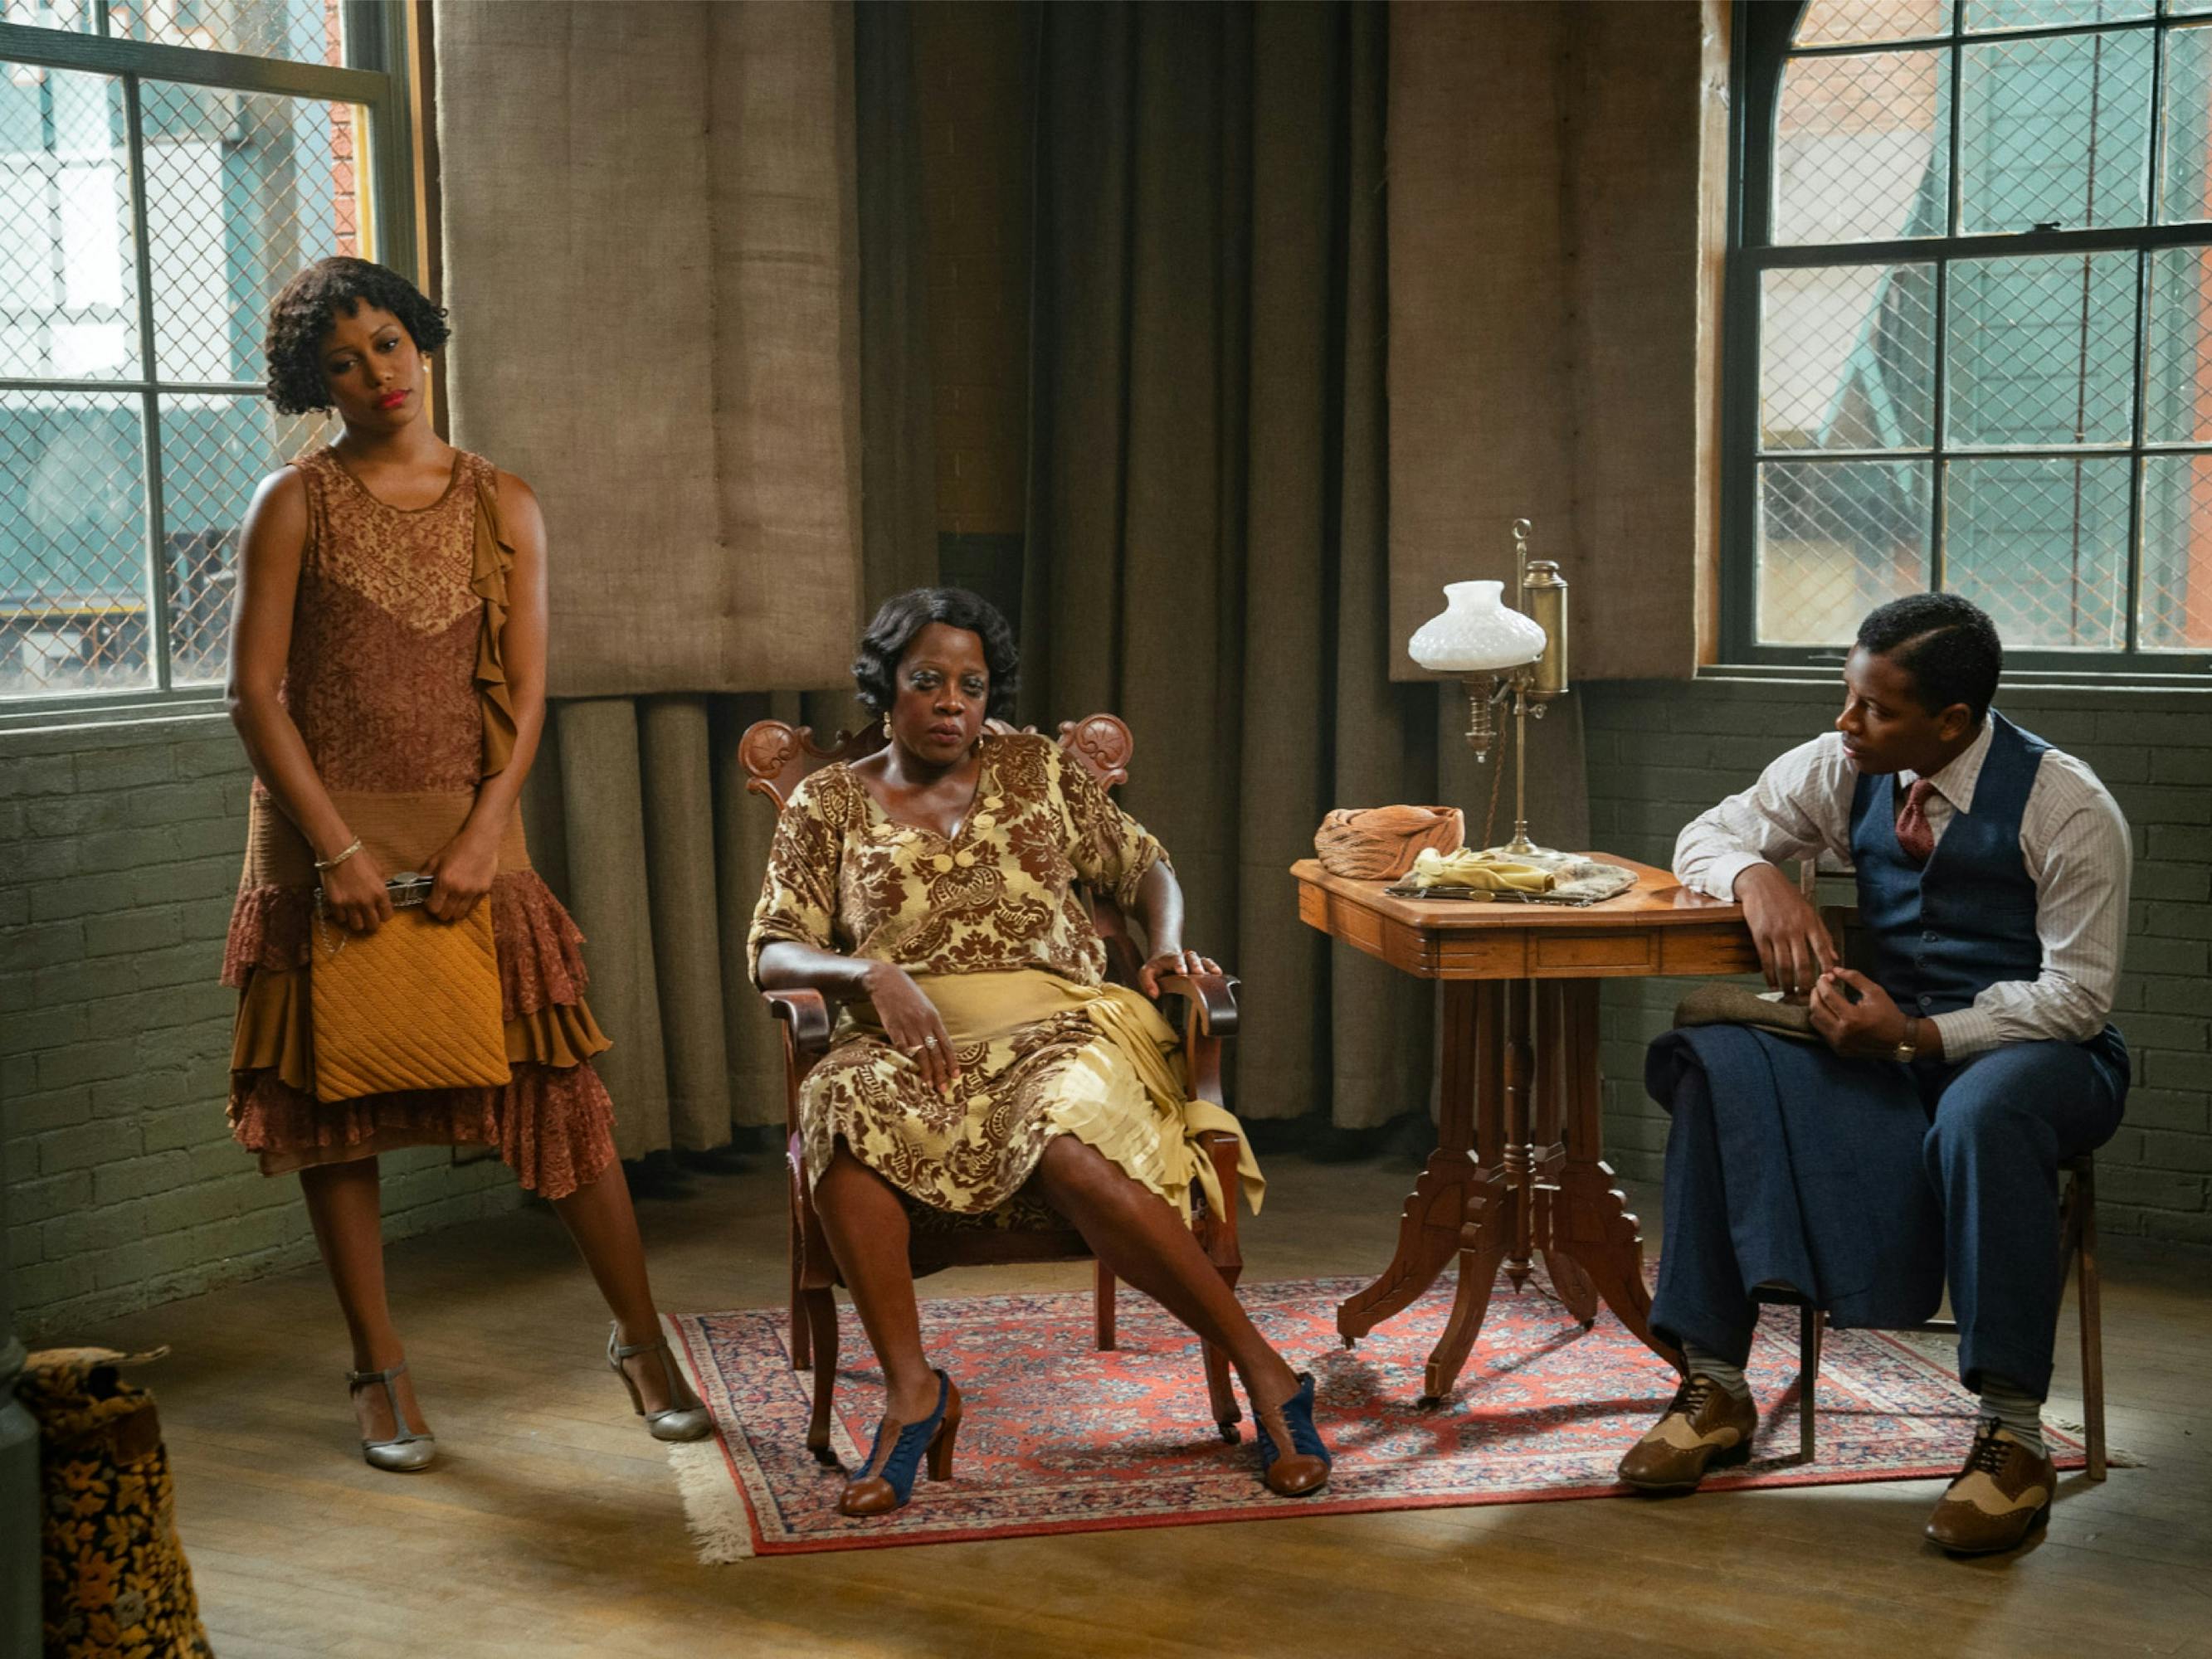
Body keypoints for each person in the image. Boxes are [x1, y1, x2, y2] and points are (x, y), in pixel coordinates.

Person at [222, 256, 709, 1472]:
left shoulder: (507, 503)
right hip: (320, 839)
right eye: (342, 359)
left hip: (473, 835)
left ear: (421, 343)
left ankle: (640, 1341)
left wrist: (488, 833)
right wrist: (333, 849)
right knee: (335, 1114)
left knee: (559, 1094)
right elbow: (253, 695)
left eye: (388, 342)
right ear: (312, 380)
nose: (374, 374)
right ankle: (378, 1371)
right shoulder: (293, 501)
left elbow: (529, 693)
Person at [749, 588, 1332, 1514]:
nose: (951, 702)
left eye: (971, 685)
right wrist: (867, 973)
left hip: (1061, 1024)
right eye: (928, 681)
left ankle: (1267, 1371)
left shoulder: (1038, 770)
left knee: (1063, 1131)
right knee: (836, 1107)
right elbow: (773, 944)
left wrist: (1170, 943)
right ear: (886, 686)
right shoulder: (827, 802)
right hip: (913, 1043)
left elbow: (1143, 865)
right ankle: (913, 1392)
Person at [1618, 592, 2129, 1554]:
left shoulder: (2066, 804)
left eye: (1874, 709)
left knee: (1982, 1111)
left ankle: (2011, 1437)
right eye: (1846, 697)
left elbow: (2078, 996)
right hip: (1881, 1047)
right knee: (1709, 1060)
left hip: (2040, 1058)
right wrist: (1753, 875)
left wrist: (1921, 1036)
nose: (1846, 723)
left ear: (1950, 722)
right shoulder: (1838, 763)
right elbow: (1705, 833)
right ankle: (1716, 1382)